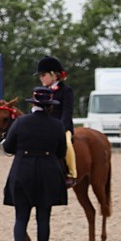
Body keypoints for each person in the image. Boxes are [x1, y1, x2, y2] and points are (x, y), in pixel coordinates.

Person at [2, 87, 68, 241]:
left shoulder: (20, 122)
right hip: (47, 172)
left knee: (21, 217)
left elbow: (8, 147)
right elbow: (62, 152)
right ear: (49, 105)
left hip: (23, 170)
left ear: (33, 103)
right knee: (43, 217)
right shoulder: (57, 125)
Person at [36, 56, 77, 187]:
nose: (41, 78)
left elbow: (67, 112)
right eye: (40, 76)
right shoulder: (41, 91)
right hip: (44, 127)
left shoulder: (66, 90)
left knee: (67, 144)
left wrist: (60, 128)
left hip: (62, 127)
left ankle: (71, 174)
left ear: (53, 75)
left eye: (43, 75)